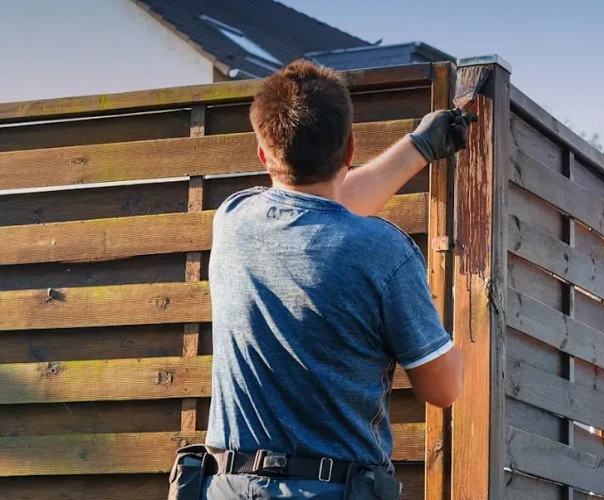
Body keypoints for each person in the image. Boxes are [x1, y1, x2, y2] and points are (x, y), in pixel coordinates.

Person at [168, 59, 471, 500]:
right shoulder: (385, 253)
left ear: (262, 154)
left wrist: (419, 149)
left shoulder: (233, 220)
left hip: (229, 487)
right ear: (350, 148)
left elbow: (314, 212)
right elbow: (443, 389)